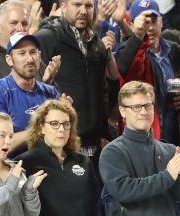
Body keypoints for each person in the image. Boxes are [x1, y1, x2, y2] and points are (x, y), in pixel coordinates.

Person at [100, 81, 180, 216]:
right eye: (136, 107)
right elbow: (125, 191)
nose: (143, 111)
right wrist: (168, 175)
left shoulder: (169, 150)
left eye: (147, 105)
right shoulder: (113, 152)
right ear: (123, 111)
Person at [18, 99, 107, 216]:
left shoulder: (83, 162)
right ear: (41, 127)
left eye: (66, 124)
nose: (61, 130)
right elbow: (15, 212)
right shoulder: (26, 162)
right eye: (54, 124)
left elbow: (93, 211)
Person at [36, 0, 119, 156]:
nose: (83, 11)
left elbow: (106, 89)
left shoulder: (96, 42)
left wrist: (104, 130)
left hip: (95, 143)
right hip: (62, 143)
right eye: (77, 4)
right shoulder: (47, 37)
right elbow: (34, 89)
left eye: (88, 6)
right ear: (64, 6)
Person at [117, 0, 180, 146]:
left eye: (154, 21)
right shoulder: (129, 53)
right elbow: (124, 69)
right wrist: (137, 36)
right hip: (142, 136)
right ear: (132, 25)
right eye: (144, 22)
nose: (149, 28)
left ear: (162, 22)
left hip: (173, 133)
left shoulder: (176, 52)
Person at [0, 33, 62, 152]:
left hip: (49, 163)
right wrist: (42, 129)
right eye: (22, 53)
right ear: (9, 60)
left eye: (33, 52)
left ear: (39, 56)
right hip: (13, 166)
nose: (29, 59)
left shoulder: (51, 92)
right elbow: (0, 144)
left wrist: (69, 116)